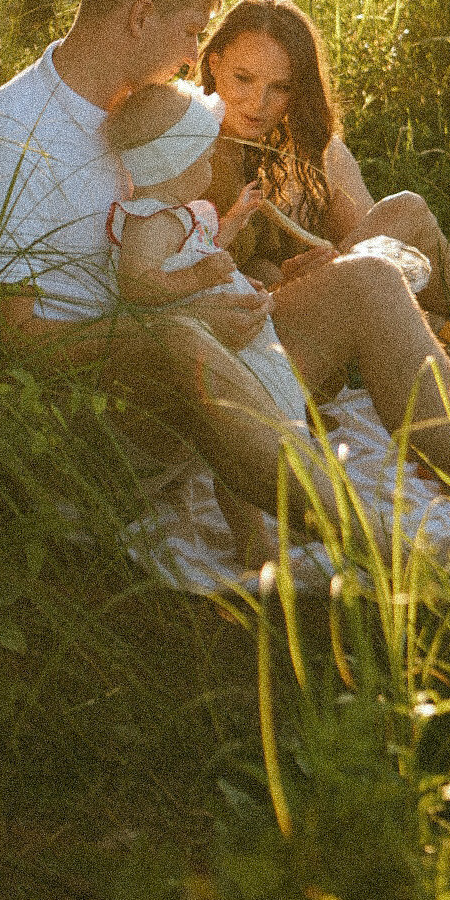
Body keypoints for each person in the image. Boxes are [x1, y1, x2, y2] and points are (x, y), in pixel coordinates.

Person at [0, 0, 450, 543]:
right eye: (192, 33)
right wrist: (167, 329)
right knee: (179, 340)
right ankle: (384, 562)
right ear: (141, 17)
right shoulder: (5, 138)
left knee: (371, 278)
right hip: (105, 411)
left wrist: (244, 294)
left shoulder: (159, 113)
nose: (196, 57)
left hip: (209, 368)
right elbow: (6, 343)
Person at [104, 78, 307, 566]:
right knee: (236, 434)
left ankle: (292, 501)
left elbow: (209, 245)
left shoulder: (182, 211)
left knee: (272, 410)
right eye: (202, 157)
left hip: (234, 330)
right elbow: (138, 285)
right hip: (204, 343)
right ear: (173, 166)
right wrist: (201, 277)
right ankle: (252, 535)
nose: (211, 163)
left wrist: (236, 218)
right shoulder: (147, 222)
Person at [198, 0, 450, 335]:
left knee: (404, 210)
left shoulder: (296, 146)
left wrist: (330, 261)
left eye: (280, 87)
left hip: (317, 289)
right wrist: (302, 276)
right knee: (406, 220)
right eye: (243, 78)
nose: (258, 103)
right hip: (263, 314)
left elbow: (378, 246)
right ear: (214, 64)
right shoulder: (184, 138)